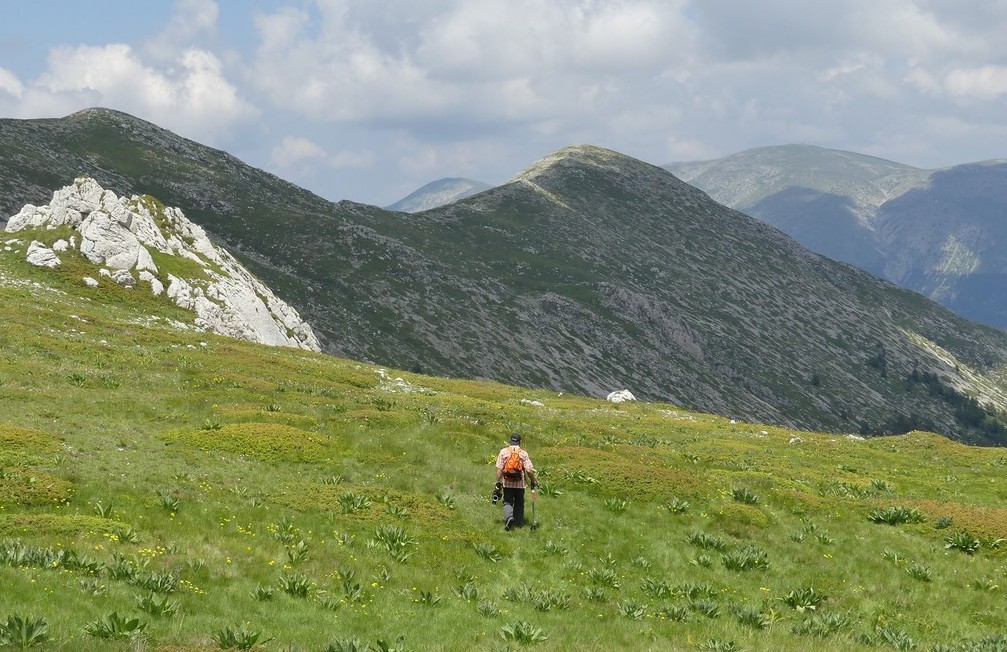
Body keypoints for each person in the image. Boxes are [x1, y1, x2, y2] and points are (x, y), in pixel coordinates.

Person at [495, 432, 537, 531]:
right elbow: (528, 470)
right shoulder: (523, 453)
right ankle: (519, 523)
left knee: (507, 502)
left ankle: (509, 518)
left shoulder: (503, 452)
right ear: (520, 442)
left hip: (507, 482)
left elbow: (500, 469)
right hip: (520, 483)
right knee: (519, 501)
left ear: (510, 441)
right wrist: (533, 480)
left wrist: (498, 482)